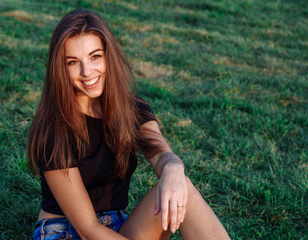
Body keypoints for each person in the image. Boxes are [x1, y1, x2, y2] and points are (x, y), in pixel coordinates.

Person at [27, 9, 230, 240]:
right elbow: (88, 230)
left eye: (95, 56)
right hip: (65, 231)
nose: (87, 72)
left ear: (108, 56)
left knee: (182, 188)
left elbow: (162, 155)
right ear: (60, 68)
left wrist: (174, 168)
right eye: (73, 62)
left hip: (116, 225)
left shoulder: (131, 110)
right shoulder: (54, 129)